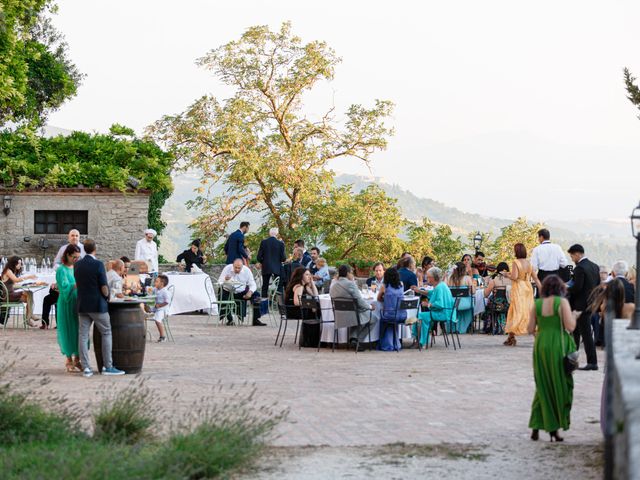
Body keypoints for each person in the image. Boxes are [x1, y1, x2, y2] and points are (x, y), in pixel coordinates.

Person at [527, 275, 576, 442]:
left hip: (540, 345)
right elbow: (570, 327)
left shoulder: (537, 304)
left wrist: (542, 334)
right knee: (559, 384)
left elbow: (529, 328)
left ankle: (536, 425)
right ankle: (553, 428)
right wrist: (575, 316)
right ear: (561, 288)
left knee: (542, 385)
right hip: (557, 346)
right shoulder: (561, 303)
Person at [74, 239, 124, 377]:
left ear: (84, 249)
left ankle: (86, 368)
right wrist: (107, 296)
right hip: (97, 304)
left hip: (82, 304)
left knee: (83, 336)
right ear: (95, 249)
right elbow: (103, 286)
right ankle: (107, 366)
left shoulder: (77, 265)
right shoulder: (98, 264)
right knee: (106, 333)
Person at [567, 244, 600, 371]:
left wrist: (566, 288)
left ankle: (592, 362)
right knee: (578, 333)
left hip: (579, 306)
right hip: (591, 304)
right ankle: (572, 359)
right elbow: (597, 286)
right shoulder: (595, 266)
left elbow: (577, 288)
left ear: (577, 254)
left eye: (572, 256)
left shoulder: (579, 268)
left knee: (583, 335)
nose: (571, 259)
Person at [329, 264, 377, 351]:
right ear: (348, 273)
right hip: (352, 315)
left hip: (338, 316)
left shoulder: (333, 283)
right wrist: (370, 307)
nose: (353, 275)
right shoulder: (350, 284)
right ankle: (358, 341)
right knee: (374, 318)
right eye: (352, 273)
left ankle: (353, 339)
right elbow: (360, 302)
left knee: (361, 316)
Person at [504, 243, 541, 346]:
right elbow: (536, 278)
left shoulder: (515, 262)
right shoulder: (529, 263)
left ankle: (512, 337)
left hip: (519, 288)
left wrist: (507, 275)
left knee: (516, 310)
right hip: (528, 287)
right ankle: (511, 337)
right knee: (527, 310)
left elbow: (515, 277)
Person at [55, 244, 82, 373]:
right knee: (67, 330)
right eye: (74, 257)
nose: (76, 259)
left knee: (78, 330)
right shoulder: (61, 270)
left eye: (78, 257)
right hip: (66, 303)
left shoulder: (77, 267)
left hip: (78, 302)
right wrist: (76, 284)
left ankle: (78, 359)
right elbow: (64, 287)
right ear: (67, 255)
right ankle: (68, 359)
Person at [217, 258, 263, 326]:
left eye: (239, 268)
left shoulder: (247, 270)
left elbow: (253, 284)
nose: (237, 269)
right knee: (222, 293)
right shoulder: (227, 268)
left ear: (242, 266)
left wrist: (250, 292)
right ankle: (230, 320)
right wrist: (225, 279)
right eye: (235, 267)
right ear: (233, 265)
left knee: (256, 295)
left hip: (241, 292)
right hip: (228, 291)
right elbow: (219, 282)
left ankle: (255, 319)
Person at [417, 267, 456, 347]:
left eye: (428, 277)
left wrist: (427, 304)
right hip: (448, 313)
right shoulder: (442, 285)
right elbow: (431, 293)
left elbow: (439, 304)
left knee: (421, 316)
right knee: (423, 315)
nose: (427, 278)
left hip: (442, 313)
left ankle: (422, 341)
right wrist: (419, 291)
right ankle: (421, 340)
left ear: (433, 278)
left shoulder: (439, 287)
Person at [1, 256, 44, 326]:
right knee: (29, 294)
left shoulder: (11, 271)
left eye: (21, 263)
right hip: (8, 296)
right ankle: (30, 316)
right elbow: (16, 280)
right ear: (14, 263)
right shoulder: (8, 271)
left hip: (10, 294)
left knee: (29, 296)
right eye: (19, 263)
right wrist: (29, 277)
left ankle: (29, 318)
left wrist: (27, 285)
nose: (20, 265)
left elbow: (14, 285)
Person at [285, 266, 320, 348]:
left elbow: (316, 296)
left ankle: (309, 340)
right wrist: (310, 306)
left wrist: (312, 283)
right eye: (307, 275)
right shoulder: (299, 286)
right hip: (294, 312)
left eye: (310, 275)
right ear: (301, 276)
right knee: (316, 312)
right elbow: (297, 302)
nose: (309, 277)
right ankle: (310, 341)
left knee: (316, 310)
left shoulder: (304, 286)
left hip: (295, 310)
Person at [377, 267, 407, 351]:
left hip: (390, 314)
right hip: (402, 314)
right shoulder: (401, 284)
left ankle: (387, 344)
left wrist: (386, 300)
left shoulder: (384, 286)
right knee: (393, 321)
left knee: (383, 319)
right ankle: (395, 343)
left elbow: (378, 298)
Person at [256, 228, 286, 298]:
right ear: (277, 234)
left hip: (266, 267)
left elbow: (259, 257)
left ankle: (264, 304)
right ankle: (279, 303)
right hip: (277, 268)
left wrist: (263, 262)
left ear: (269, 234)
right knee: (279, 286)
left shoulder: (264, 242)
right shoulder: (281, 244)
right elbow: (283, 258)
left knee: (265, 286)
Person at [447, 261, 475, 333]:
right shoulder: (467, 278)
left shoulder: (449, 278)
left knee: (456, 310)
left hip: (452, 303)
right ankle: (462, 328)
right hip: (464, 304)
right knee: (471, 307)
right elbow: (473, 292)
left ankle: (453, 328)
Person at [147, 274, 170, 342]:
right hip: (156, 307)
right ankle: (145, 314)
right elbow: (149, 289)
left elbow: (167, 301)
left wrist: (160, 305)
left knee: (157, 320)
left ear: (162, 283)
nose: (155, 283)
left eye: (156, 281)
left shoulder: (165, 291)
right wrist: (144, 288)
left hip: (162, 309)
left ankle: (162, 336)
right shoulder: (156, 289)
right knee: (145, 306)